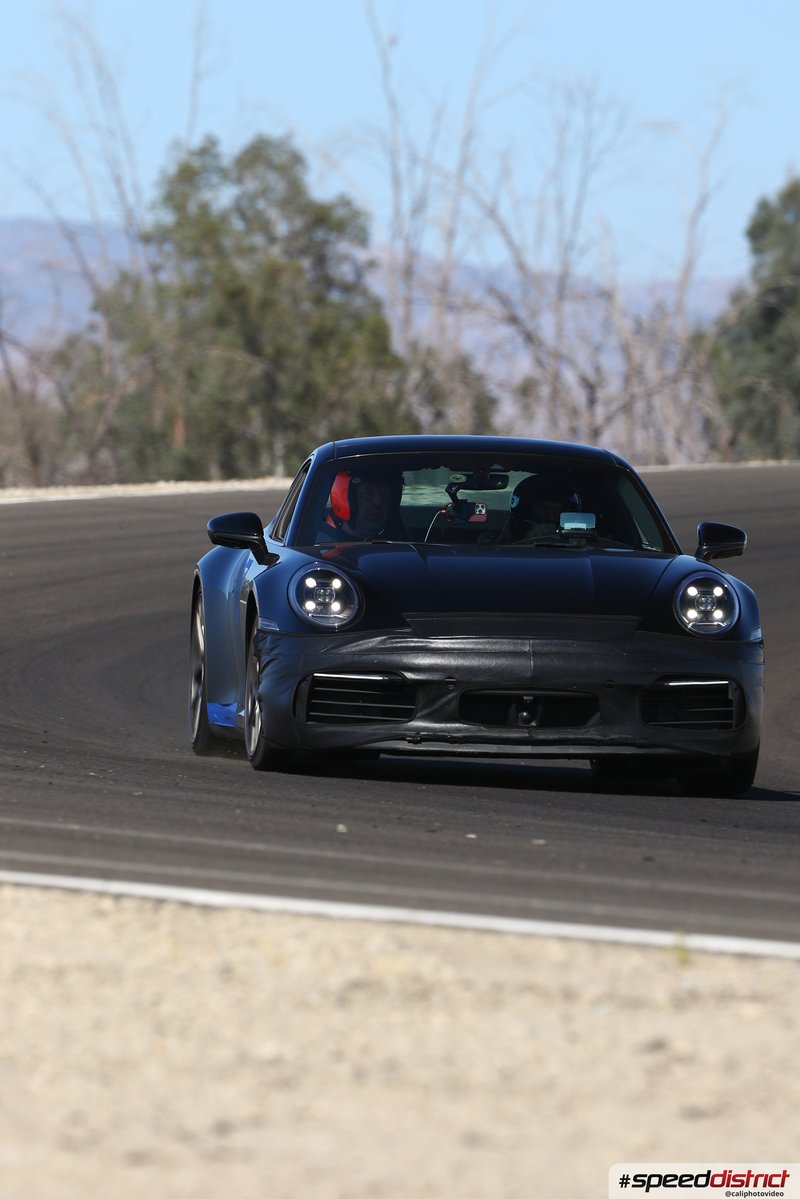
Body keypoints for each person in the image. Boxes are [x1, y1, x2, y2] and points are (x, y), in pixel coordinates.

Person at [320, 469, 404, 541]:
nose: (379, 502)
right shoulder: (319, 546)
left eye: (385, 495)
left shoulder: (401, 544)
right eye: (367, 494)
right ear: (344, 499)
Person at [499, 474, 581, 543]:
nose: (550, 516)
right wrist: (528, 540)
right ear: (527, 510)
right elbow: (502, 550)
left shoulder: (577, 540)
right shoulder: (516, 527)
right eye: (542, 510)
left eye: (557, 511)